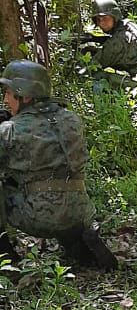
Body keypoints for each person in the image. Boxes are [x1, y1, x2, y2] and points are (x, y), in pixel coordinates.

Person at [0, 60, 117, 271]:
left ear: (25, 96)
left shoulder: (10, 131)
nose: (5, 99)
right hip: (79, 211)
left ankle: (4, 252)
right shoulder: (72, 119)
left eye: (8, 93)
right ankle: (77, 241)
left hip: (38, 216)